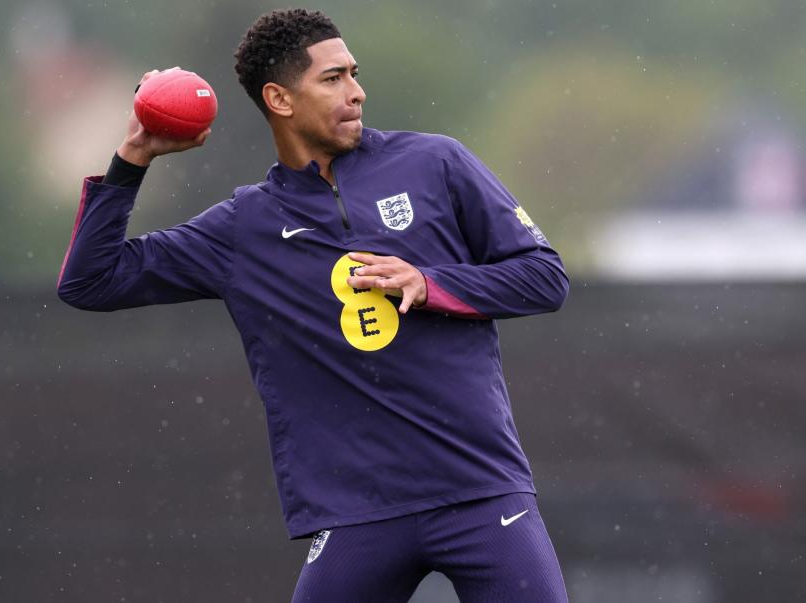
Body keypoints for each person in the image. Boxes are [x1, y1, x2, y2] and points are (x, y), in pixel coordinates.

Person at [57, 8, 570, 602]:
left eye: (353, 73)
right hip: (359, 513)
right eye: (333, 79)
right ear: (279, 98)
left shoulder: (436, 163)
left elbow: (543, 277)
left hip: (482, 493)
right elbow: (91, 281)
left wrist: (432, 285)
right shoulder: (244, 227)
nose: (357, 91)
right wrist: (134, 156)